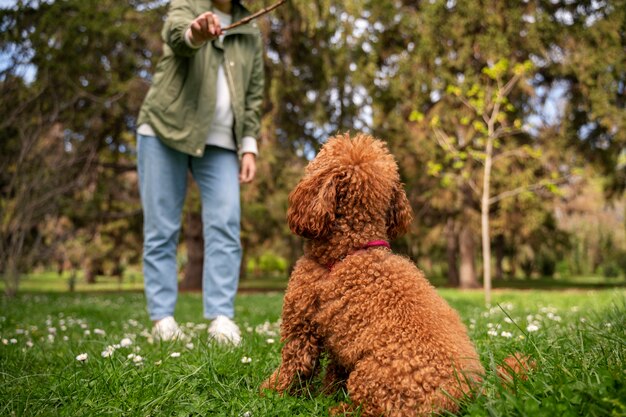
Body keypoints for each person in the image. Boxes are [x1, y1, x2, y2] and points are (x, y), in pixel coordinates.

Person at [136, 0, 264, 345]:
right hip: (165, 129)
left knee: (225, 224)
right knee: (162, 227)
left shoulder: (250, 28)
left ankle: (221, 318)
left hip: (221, 143)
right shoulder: (187, 4)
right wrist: (196, 32)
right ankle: (162, 320)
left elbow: (253, 93)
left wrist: (248, 144)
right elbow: (177, 35)